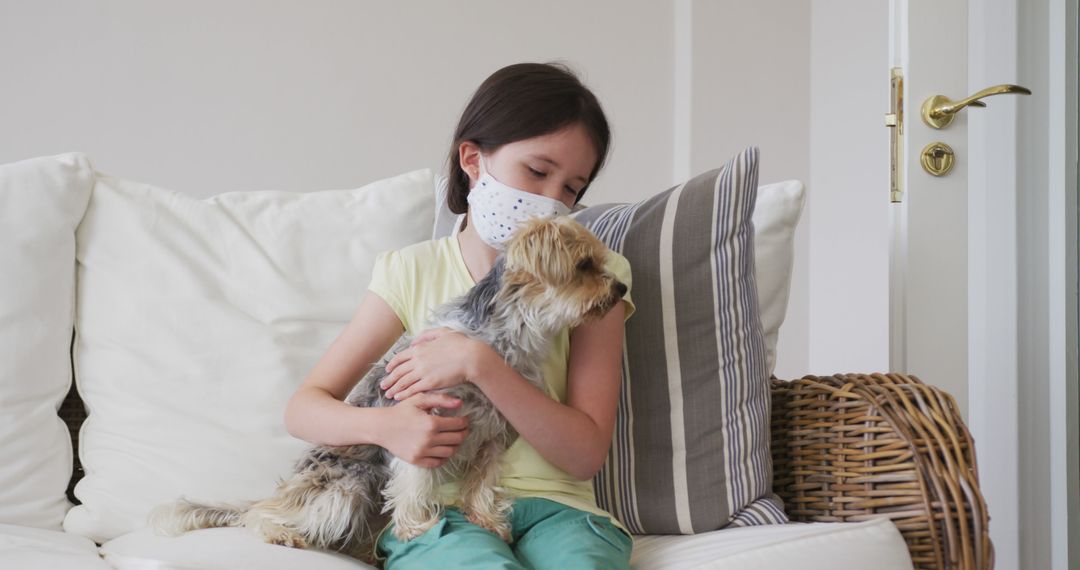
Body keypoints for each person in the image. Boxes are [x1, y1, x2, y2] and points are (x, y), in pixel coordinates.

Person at [284, 61, 636, 569]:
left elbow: (585, 455)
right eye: (537, 172)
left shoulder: (596, 276)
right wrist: (388, 428)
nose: (550, 200)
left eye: (571, 188)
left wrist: (481, 364)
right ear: (472, 158)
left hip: (561, 511)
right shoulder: (410, 270)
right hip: (435, 512)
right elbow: (303, 409)